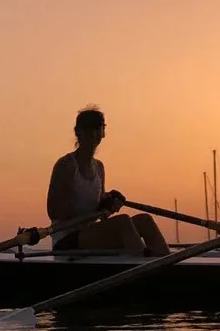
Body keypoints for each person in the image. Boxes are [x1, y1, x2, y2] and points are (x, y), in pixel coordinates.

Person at [46, 107, 169, 256]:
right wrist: (94, 209)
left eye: (98, 127)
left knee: (145, 220)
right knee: (123, 222)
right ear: (78, 132)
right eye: (89, 127)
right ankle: (141, 269)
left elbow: (102, 213)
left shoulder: (99, 167)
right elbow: (53, 212)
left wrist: (108, 201)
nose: (94, 132)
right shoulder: (66, 165)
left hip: (90, 234)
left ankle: (167, 266)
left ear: (103, 132)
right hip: (65, 239)